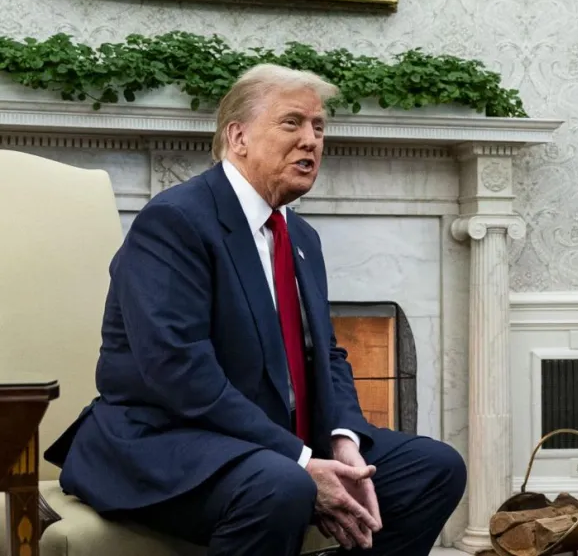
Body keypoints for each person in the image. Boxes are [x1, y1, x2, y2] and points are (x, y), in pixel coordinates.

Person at [44, 64, 466, 556]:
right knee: (283, 484)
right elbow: (178, 370)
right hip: (165, 438)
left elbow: (327, 354)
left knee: (433, 469)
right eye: (292, 123)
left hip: (267, 440)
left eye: (319, 127)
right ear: (238, 137)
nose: (311, 140)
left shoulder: (300, 236)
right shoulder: (175, 221)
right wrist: (300, 459)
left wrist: (343, 439)